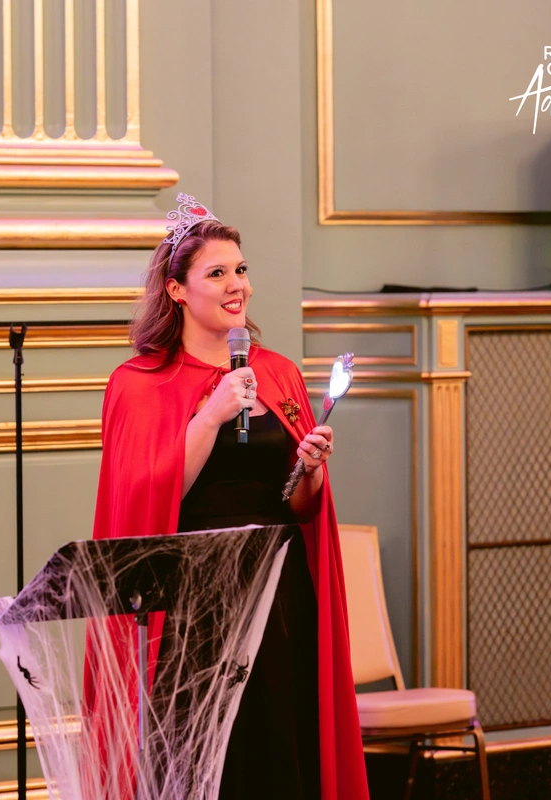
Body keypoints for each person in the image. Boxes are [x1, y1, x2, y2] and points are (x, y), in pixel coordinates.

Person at [90, 194, 368, 798]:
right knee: (213, 750)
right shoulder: (138, 383)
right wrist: (211, 416)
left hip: (278, 584)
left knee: (280, 737)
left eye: (240, 269)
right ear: (176, 290)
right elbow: (147, 499)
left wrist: (310, 472)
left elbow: (299, 508)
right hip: (194, 592)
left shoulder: (278, 372)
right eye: (216, 273)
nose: (236, 284)